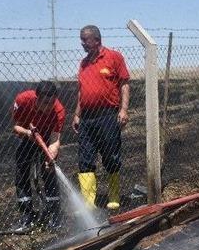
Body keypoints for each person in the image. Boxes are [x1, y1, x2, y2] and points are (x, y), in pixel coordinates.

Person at [73, 25, 130, 210]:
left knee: (111, 155)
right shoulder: (83, 64)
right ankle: (88, 203)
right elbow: (82, 92)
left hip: (107, 115)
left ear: (96, 40)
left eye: (85, 40)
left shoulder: (114, 57)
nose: (82, 43)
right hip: (87, 119)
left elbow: (124, 84)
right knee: (85, 158)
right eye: (81, 40)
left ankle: (114, 196)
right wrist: (76, 114)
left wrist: (123, 109)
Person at [12, 81, 65, 230]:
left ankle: (55, 215)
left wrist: (51, 157)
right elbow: (15, 127)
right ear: (37, 98)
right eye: (45, 103)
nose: (49, 107)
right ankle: (27, 216)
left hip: (47, 138)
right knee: (21, 174)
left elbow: (55, 139)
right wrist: (28, 133)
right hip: (26, 136)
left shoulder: (59, 110)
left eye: (52, 102)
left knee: (49, 173)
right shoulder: (23, 100)